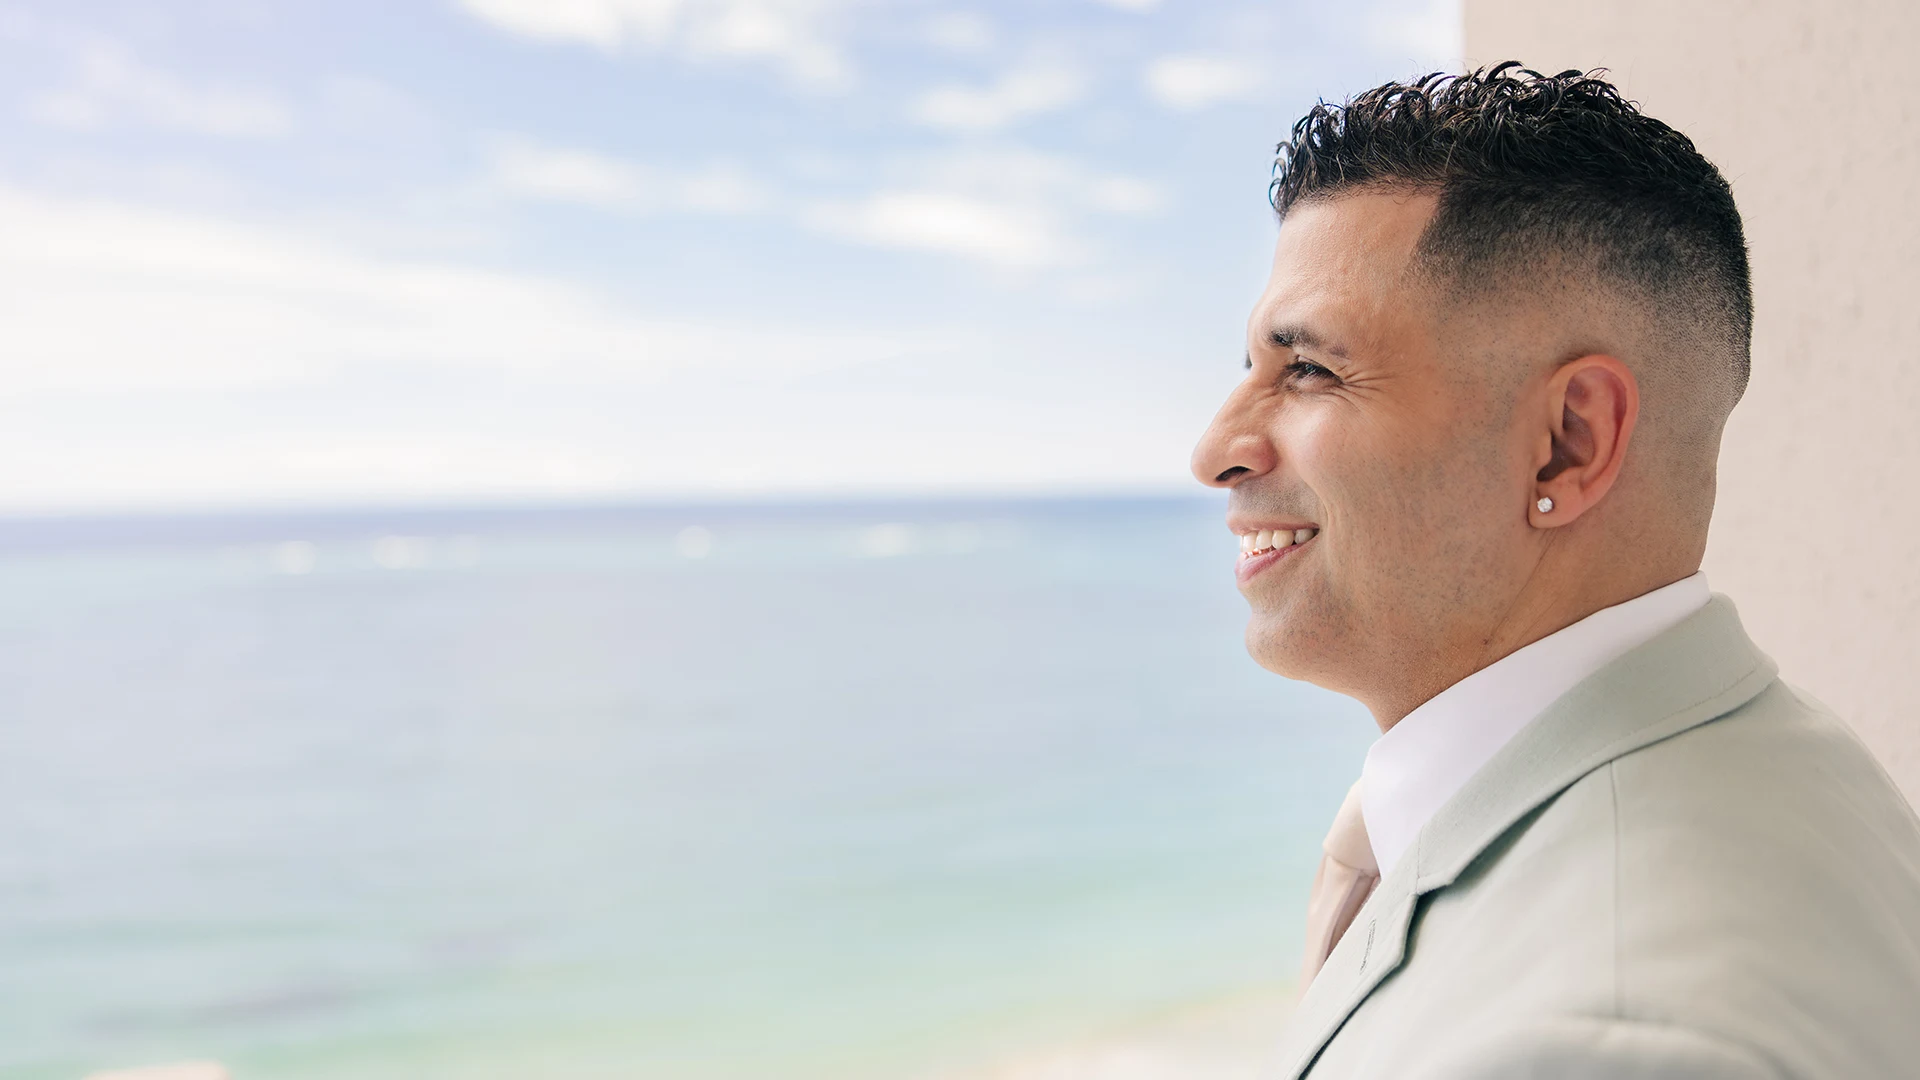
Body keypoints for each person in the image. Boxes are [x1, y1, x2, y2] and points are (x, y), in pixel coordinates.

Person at [1189, 63, 1920, 1078]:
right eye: (1250, 371)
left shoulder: (1604, 1041)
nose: (1215, 449)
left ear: (1567, 445)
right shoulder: (1791, 761)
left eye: (1308, 368)